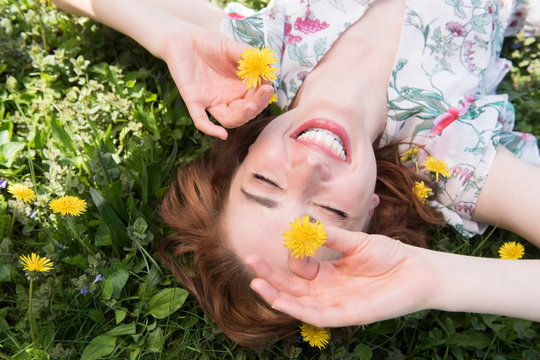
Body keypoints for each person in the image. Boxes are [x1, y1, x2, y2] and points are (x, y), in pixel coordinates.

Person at [51, 0, 540, 348]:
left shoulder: (260, 60)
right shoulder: (448, 158)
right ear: (370, 212)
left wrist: (166, 35)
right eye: (329, 211)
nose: (308, 168)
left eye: (265, 184)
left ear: (243, 153)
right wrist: (436, 280)